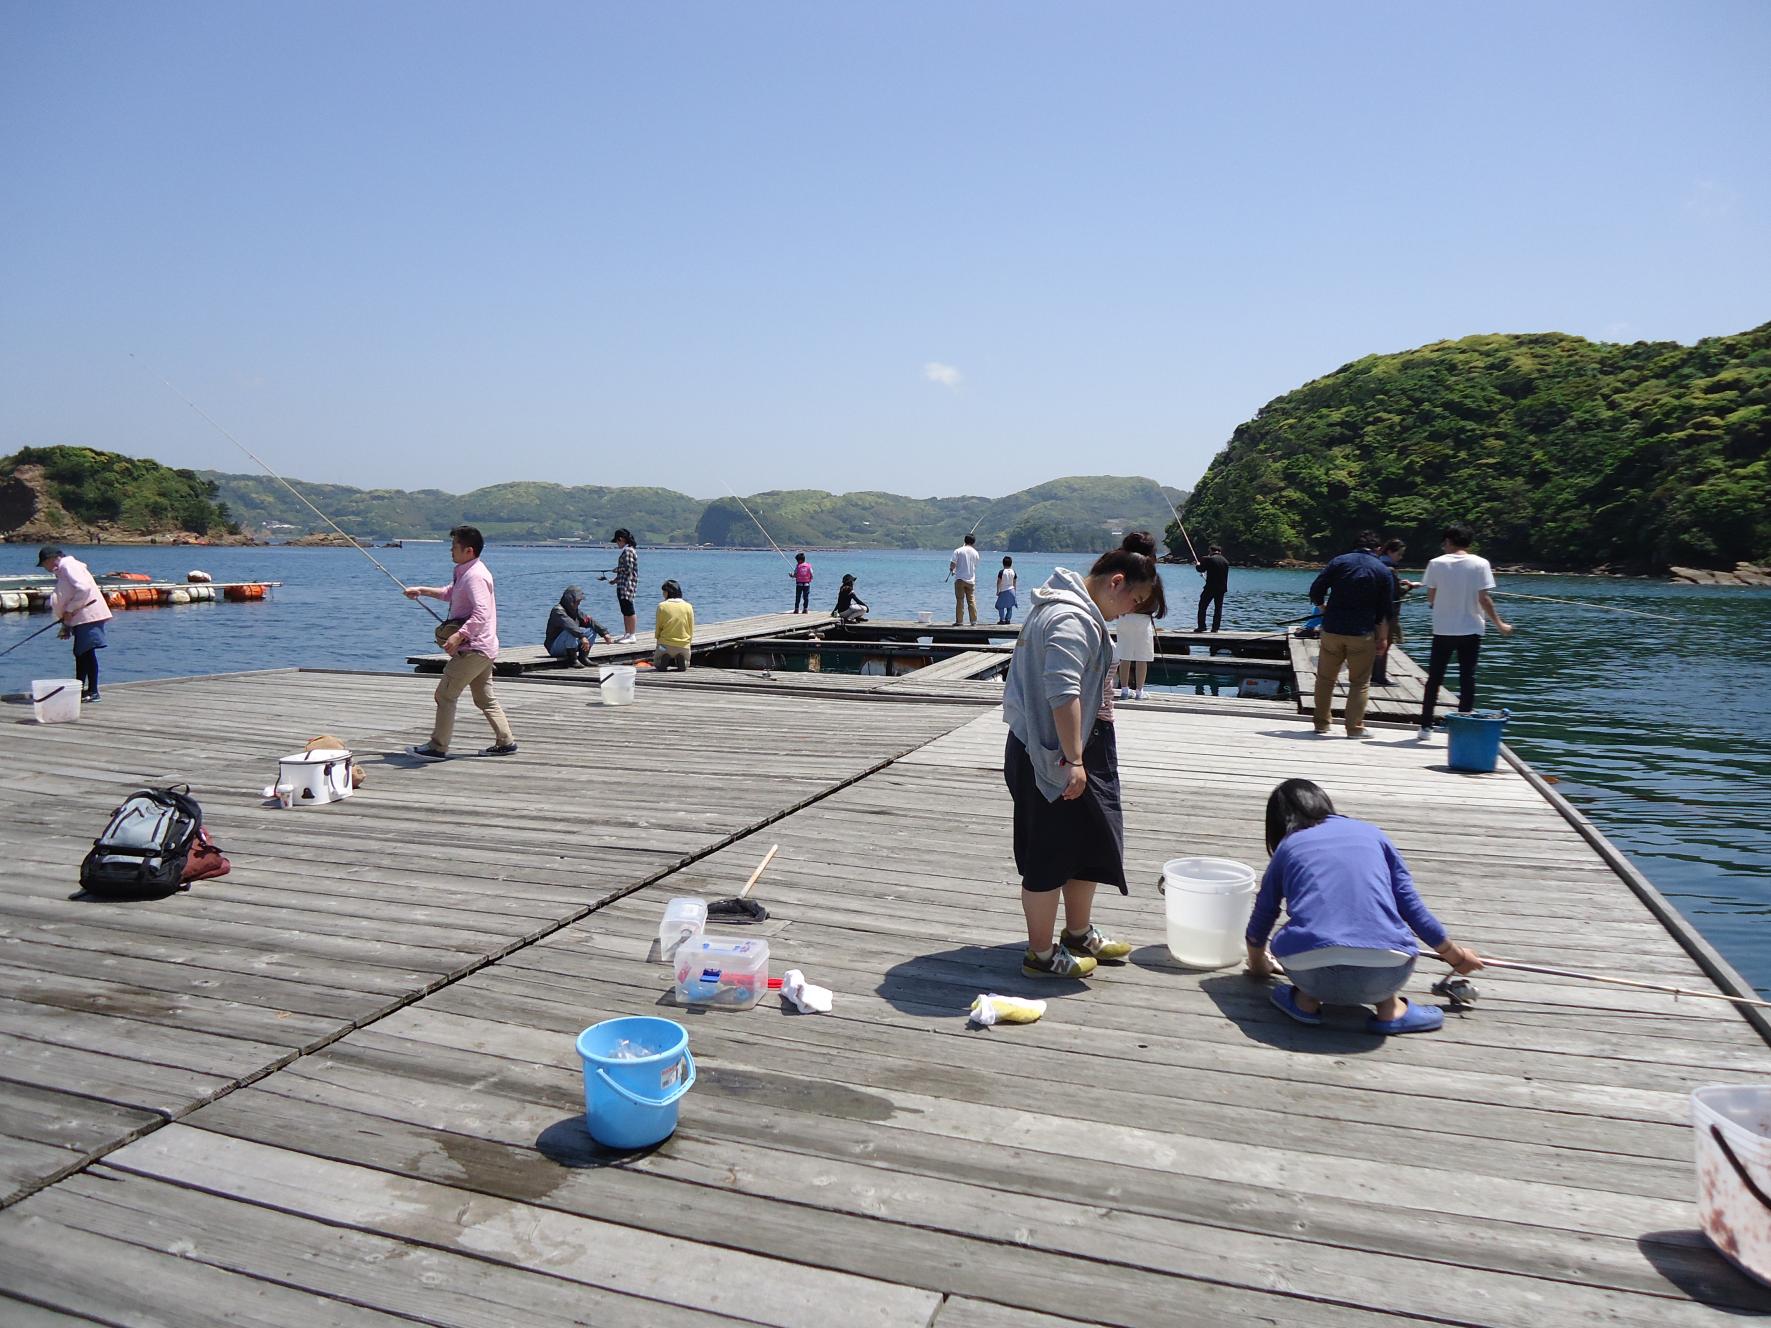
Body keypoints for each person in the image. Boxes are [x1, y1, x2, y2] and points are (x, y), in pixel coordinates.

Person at [1000, 534, 1164, 979]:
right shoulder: (1070, 619)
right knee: (1048, 854)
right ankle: (1040, 953)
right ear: (1117, 582)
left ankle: (1077, 932)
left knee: (1087, 844)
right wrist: (1073, 759)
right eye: (1137, 598)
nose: (1132, 609)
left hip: (1080, 745)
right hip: (1051, 753)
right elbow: (1062, 693)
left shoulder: (1079, 611)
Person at [1246, 779, 1482, 1034]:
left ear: (1278, 823)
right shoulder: (1373, 834)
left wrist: (1259, 965)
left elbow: (1264, 913)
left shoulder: (1288, 846)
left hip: (1310, 971)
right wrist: (1456, 956)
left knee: (1300, 937)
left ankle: (1305, 1001)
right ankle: (1390, 1009)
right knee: (1381, 937)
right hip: (1386, 972)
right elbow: (1411, 906)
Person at [405, 525, 517, 759]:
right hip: (484, 648)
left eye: (454, 546)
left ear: (469, 550)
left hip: (473, 650)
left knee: (445, 695)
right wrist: (421, 591)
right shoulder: (466, 571)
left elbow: (481, 613)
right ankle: (506, 742)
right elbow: (450, 593)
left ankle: (438, 747)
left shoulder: (475, 576)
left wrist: (458, 635)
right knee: (484, 698)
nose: (450, 550)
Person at [1418, 524, 1513, 739]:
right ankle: (1462, 724)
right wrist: (1500, 624)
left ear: (1449, 541)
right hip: (1471, 629)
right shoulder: (1481, 563)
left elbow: (1431, 597)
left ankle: (1425, 727)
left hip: (1443, 629)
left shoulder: (1435, 563)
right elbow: (1484, 599)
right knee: (1467, 678)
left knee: (1434, 678)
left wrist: (1438, 604)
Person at [1306, 532, 1392, 738]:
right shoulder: (1382, 570)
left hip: (1333, 628)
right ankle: (1354, 728)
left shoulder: (1339, 562)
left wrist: (1322, 606)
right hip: (1362, 632)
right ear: (1378, 549)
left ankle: (1321, 724)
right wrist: (1383, 638)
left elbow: (1316, 588)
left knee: (1325, 678)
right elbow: (1385, 610)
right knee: (1360, 682)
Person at [38, 546, 113, 704]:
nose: (45, 568)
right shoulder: (64, 569)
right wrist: (66, 624)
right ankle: (82, 689)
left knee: (85, 652)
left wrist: (70, 610)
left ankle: (92, 691)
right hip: (80, 617)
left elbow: (83, 588)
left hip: (88, 615)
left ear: (50, 559)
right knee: (82, 653)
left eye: (43, 564)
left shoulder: (68, 566)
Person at [1370, 539, 1416, 688]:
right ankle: (1379, 677)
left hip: (1374, 612)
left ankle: (1373, 675)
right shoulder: (1389, 568)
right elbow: (1395, 593)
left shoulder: (1376, 564)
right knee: (1385, 644)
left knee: (1376, 644)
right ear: (1390, 551)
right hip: (1387, 614)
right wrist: (1410, 587)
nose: (1400, 557)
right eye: (1399, 553)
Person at [544, 585, 612, 667]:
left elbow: (589, 620)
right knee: (569, 631)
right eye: (577, 601)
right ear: (570, 599)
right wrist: (581, 637)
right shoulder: (558, 611)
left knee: (592, 630)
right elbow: (569, 625)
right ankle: (573, 660)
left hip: (567, 645)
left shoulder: (575, 611)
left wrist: (604, 632)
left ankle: (583, 657)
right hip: (554, 648)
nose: (579, 603)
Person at [654, 580, 694, 670]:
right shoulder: (688, 606)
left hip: (664, 646)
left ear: (668, 593)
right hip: (683, 646)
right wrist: (688, 642)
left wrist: (658, 639)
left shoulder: (662, 606)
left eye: (664, 592)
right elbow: (691, 628)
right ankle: (682, 660)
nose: (663, 594)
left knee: (657, 662)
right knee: (687, 663)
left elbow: (658, 628)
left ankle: (663, 659)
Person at [610, 528, 639, 642]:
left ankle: (632, 635)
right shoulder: (627, 551)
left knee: (629, 610)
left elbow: (629, 569)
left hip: (628, 586)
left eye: (617, 541)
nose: (617, 544)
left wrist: (616, 569)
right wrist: (615, 580)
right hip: (622, 585)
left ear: (621, 539)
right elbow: (625, 572)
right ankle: (627, 634)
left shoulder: (628, 551)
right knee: (624, 610)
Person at [1195, 545, 1230, 633]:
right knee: (1218, 608)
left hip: (1210, 587)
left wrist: (1198, 565)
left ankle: (1202, 626)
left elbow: (1201, 569)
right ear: (1220, 552)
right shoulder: (1225, 561)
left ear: (1211, 550)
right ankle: (1215, 628)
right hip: (1221, 588)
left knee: (1202, 606)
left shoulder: (1209, 559)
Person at [950, 533, 981, 625]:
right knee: (971, 600)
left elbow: (953, 564)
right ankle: (974, 621)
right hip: (971, 580)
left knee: (960, 600)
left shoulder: (958, 551)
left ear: (964, 540)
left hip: (960, 579)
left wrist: (952, 569)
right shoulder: (976, 553)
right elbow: (975, 565)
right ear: (973, 542)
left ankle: (959, 621)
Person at [994, 556, 1018, 624]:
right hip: (1012, 590)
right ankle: (1008, 620)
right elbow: (1015, 582)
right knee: (1009, 606)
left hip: (1004, 591)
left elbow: (999, 582)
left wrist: (998, 590)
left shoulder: (1001, 572)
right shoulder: (1013, 571)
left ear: (1003, 563)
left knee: (999, 606)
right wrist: (1015, 592)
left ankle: (1002, 619)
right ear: (1011, 564)